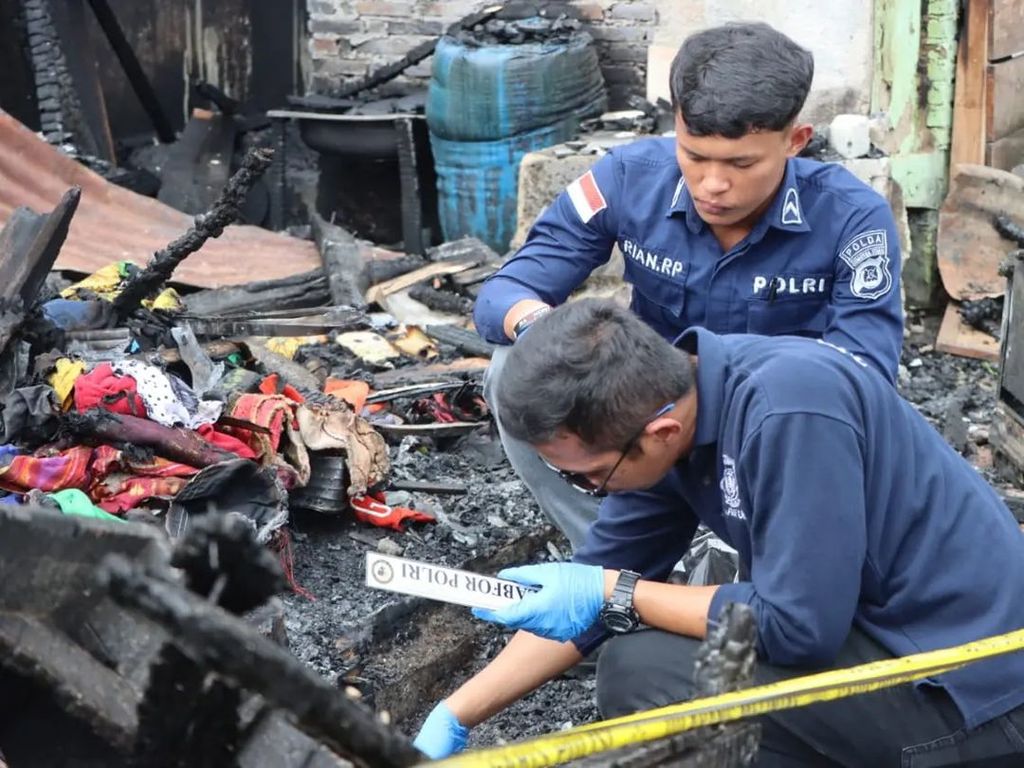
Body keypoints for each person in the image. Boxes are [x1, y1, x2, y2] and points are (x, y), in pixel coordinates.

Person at [414, 299, 1024, 766]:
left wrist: (614, 594)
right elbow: (587, 598)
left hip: (973, 693)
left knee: (648, 673)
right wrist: (456, 713)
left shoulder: (790, 411)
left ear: (660, 434)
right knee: (638, 657)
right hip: (885, 640)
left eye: (591, 478)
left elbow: (796, 627)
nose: (591, 493)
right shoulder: (672, 404)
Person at [473, 21, 906, 552]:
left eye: (741, 163)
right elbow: (503, 292)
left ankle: (761, 558)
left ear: (795, 141)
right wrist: (542, 330)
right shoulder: (627, 178)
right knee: (513, 366)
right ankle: (605, 548)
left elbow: (865, 372)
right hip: (645, 423)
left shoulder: (852, 218)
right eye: (694, 156)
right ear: (675, 126)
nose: (713, 184)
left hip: (773, 426)